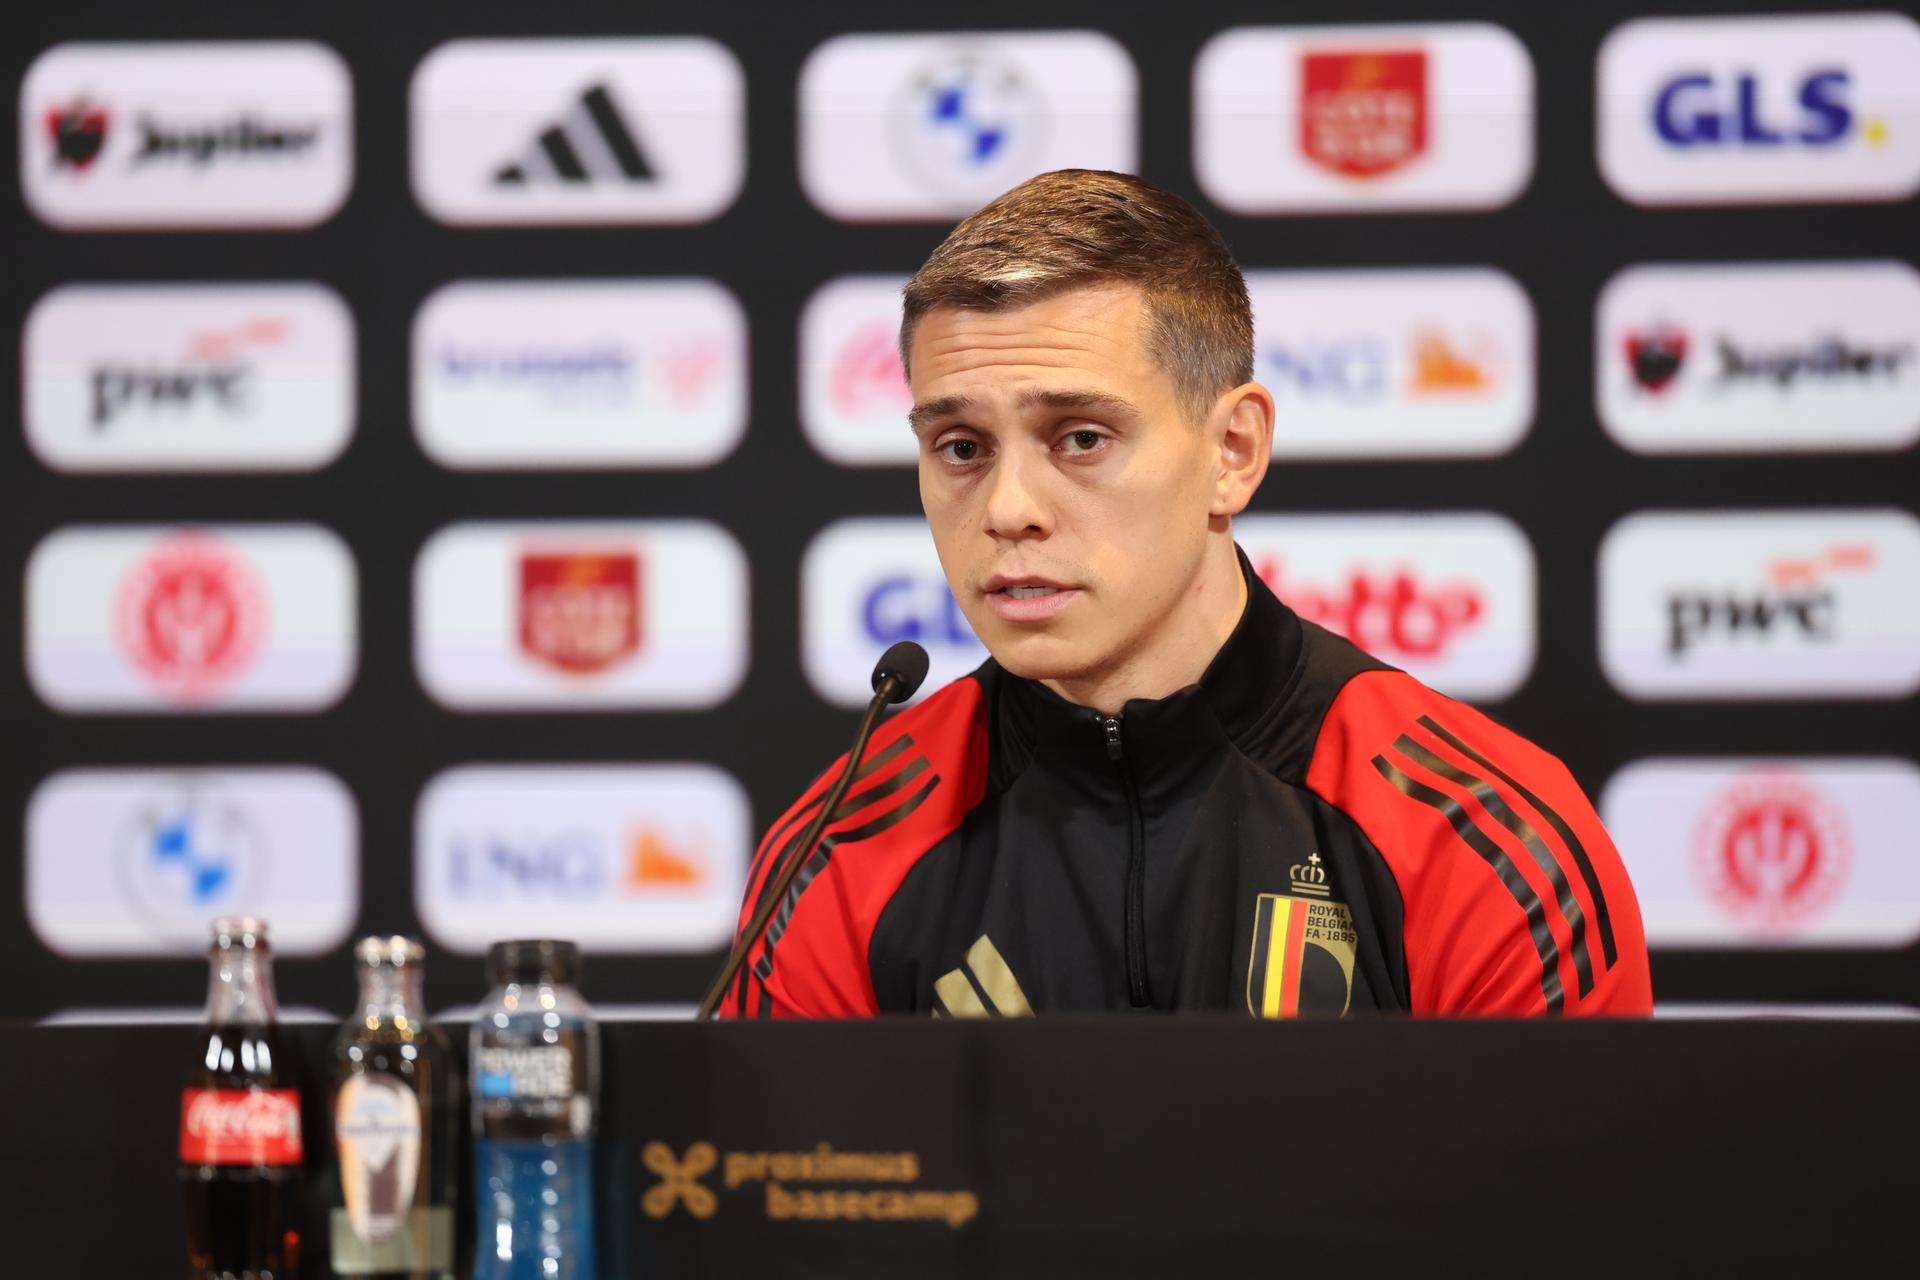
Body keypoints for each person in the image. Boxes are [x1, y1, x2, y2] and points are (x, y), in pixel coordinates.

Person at [721, 169, 1650, 1018]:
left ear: (1232, 452)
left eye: (1081, 437)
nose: (1007, 511)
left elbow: (1572, 1203)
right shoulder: (838, 853)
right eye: (961, 447)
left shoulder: (1482, 836)